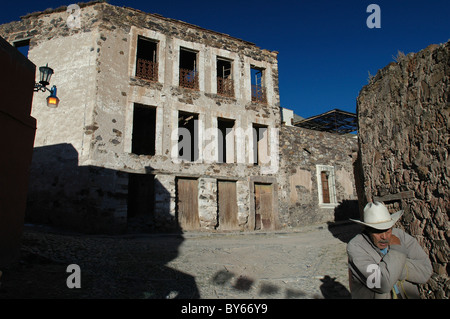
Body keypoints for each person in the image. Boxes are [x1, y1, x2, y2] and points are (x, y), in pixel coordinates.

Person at [347, 201, 432, 299]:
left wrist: (395, 270)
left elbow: (426, 271)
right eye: (377, 231)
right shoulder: (356, 246)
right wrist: (397, 249)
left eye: (388, 230)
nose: (384, 236)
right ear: (368, 229)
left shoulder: (401, 236)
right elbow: (383, 284)